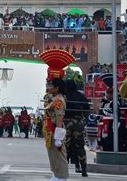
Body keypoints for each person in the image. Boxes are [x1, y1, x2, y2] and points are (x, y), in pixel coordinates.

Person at [40, 49, 76, 181]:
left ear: (56, 88)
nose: (48, 87)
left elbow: (60, 118)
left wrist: (58, 137)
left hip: (55, 129)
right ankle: (56, 174)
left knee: (59, 155)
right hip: (50, 130)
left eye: (50, 85)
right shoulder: (54, 99)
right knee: (53, 155)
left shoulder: (59, 101)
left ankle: (61, 177)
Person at [64, 79, 89, 177]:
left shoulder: (64, 97)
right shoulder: (81, 96)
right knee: (80, 146)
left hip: (66, 123)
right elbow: (87, 110)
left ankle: (63, 169)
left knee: (64, 147)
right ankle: (83, 169)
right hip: (78, 123)